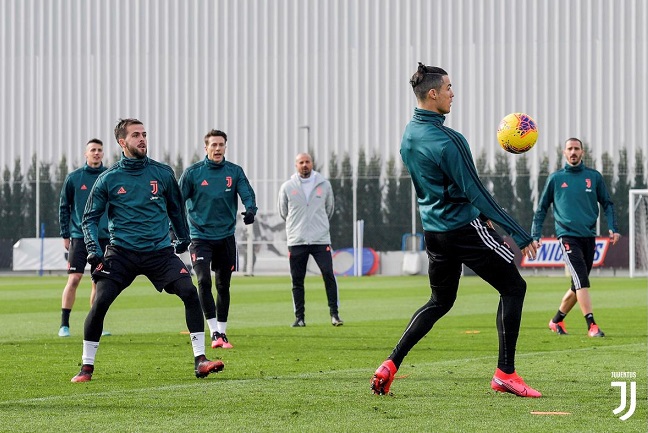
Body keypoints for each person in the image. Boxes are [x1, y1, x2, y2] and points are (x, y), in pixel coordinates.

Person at [370, 63, 541, 398]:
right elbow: (477, 192)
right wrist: (519, 234)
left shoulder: (409, 134)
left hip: (434, 233)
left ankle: (390, 363)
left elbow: (445, 187)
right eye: (448, 87)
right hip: (464, 229)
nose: (452, 93)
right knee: (514, 287)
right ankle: (505, 373)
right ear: (432, 94)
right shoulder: (450, 141)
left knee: (440, 300)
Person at [71, 118, 223, 382]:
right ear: (122, 142)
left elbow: (176, 210)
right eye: (135, 135)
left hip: (159, 252)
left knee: (189, 291)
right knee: (100, 302)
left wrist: (182, 239)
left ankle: (200, 360)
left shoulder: (162, 173)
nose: (142, 139)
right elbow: (89, 219)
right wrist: (94, 252)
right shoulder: (109, 178)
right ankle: (86, 367)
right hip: (121, 252)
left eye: (144, 134)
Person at [532, 137, 620, 338]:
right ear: (564, 153)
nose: (573, 152)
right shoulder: (555, 179)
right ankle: (592, 325)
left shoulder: (593, 177)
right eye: (570, 149)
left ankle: (556, 321)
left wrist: (613, 228)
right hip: (566, 237)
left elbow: (608, 203)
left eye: (576, 149)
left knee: (577, 284)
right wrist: (535, 235)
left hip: (589, 237)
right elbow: (541, 209)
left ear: (582, 152)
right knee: (581, 280)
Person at [179, 129, 257, 349]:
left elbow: (247, 193)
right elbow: (176, 203)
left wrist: (250, 210)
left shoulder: (234, 171)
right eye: (213, 145)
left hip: (225, 237)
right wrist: (175, 231)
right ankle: (213, 331)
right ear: (206, 148)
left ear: (225, 147)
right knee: (203, 280)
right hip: (199, 237)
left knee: (223, 285)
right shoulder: (193, 173)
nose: (217, 148)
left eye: (221, 145)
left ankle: (222, 332)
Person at [277, 152, 343, 327]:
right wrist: (297, 227)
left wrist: (318, 225)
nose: (304, 165)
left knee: (328, 274)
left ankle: (334, 315)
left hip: (320, 239)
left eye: (307, 162)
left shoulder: (324, 185)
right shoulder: (287, 187)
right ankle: (300, 318)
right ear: (296, 165)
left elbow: (330, 209)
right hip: (297, 240)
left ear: (312, 163)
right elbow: (283, 212)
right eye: (301, 162)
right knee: (297, 280)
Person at [58, 139, 110, 337]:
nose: (96, 153)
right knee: (74, 278)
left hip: (104, 236)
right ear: (85, 154)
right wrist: (65, 234)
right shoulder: (74, 178)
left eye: (99, 150)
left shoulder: (108, 177)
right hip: (79, 236)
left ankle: (97, 325)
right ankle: (64, 325)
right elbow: (64, 207)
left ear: (102, 154)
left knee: (99, 282)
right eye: (93, 150)